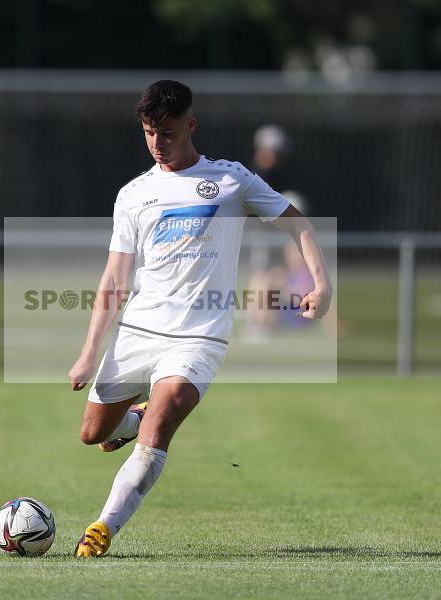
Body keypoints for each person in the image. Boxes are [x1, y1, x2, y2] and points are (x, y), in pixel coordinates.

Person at [68, 80, 332, 557]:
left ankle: (103, 527)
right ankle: (131, 417)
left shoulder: (230, 180)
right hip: (139, 329)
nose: (157, 143)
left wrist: (321, 283)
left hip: (198, 336)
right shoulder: (133, 194)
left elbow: (297, 223)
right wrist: (88, 355)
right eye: (149, 132)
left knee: (161, 422)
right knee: (93, 433)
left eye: (166, 132)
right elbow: (114, 278)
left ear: (190, 125)